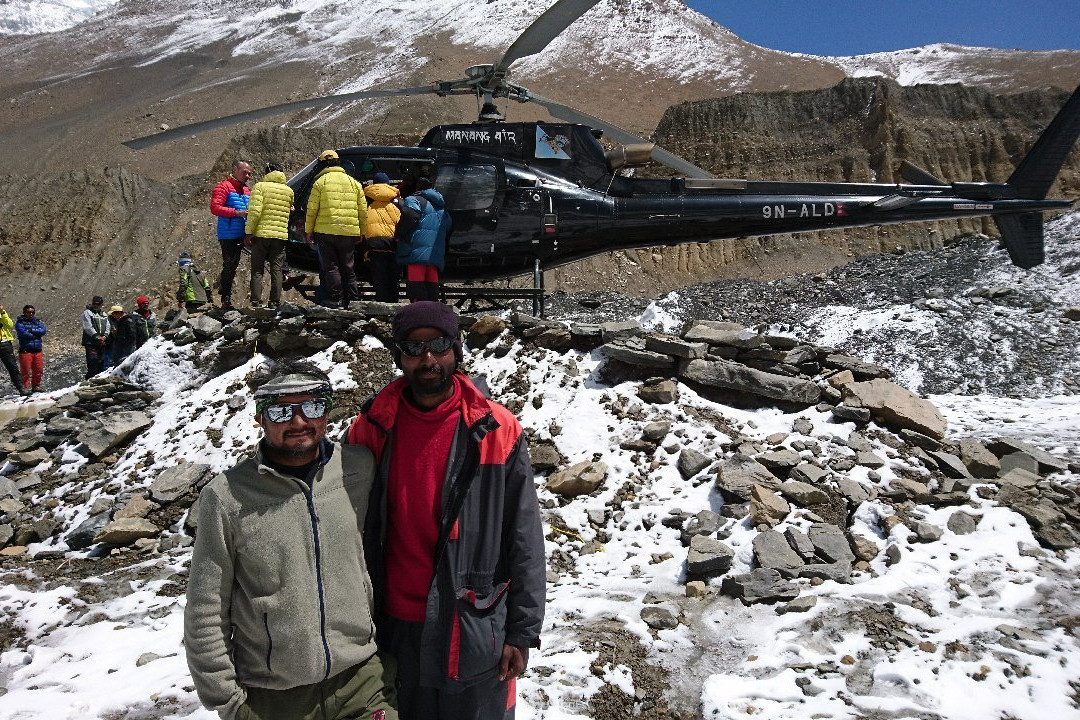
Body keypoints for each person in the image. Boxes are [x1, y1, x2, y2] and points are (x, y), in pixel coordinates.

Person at [345, 301, 545, 720]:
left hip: (473, 627)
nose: (427, 358)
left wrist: (522, 633)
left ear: (456, 349)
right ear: (398, 355)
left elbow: (523, 537)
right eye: (414, 348)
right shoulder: (370, 429)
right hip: (392, 628)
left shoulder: (496, 429)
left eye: (438, 345)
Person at [185, 360, 397, 720]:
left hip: (362, 681)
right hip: (274, 698)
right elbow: (206, 608)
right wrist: (228, 703)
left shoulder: (358, 469)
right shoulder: (227, 496)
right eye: (282, 410)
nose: (299, 422)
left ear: (327, 411)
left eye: (312, 406)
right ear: (260, 417)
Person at [304, 150, 367, 308]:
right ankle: (353, 300)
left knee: (331, 268)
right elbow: (362, 211)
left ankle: (336, 299)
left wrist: (308, 230)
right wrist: (362, 231)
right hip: (348, 232)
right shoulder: (354, 183)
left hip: (324, 232)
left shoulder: (320, 183)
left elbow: (312, 209)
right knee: (348, 267)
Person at [245, 162, 294, 308]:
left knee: (257, 269)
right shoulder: (288, 191)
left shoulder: (260, 187)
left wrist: (249, 232)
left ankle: (255, 301)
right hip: (280, 236)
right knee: (277, 269)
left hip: (262, 235)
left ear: (268, 172)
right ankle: (275, 301)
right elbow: (290, 209)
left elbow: (254, 212)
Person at [396, 177, 451, 303]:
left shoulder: (413, 199)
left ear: (417, 188)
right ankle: (432, 307)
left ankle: (418, 307)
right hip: (435, 250)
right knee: (431, 278)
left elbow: (411, 216)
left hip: (416, 247)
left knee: (416, 280)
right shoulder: (441, 207)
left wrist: (398, 234)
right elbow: (448, 226)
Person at [210, 159, 252, 310]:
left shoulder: (247, 190)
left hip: (244, 233)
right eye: (245, 172)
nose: (247, 176)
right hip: (228, 235)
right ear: (235, 170)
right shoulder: (223, 187)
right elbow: (215, 208)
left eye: (249, 174)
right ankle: (225, 298)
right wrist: (236, 213)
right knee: (230, 265)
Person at [364, 172, 402, 302]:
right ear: (388, 184)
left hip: (374, 243)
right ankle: (393, 305)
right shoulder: (397, 200)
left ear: (373, 183)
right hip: (393, 243)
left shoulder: (366, 198)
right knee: (393, 277)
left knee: (379, 277)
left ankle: (381, 305)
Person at [14, 305, 46, 394]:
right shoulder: (20, 322)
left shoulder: (37, 321)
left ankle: (36, 386)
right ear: (24, 312)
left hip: (37, 350)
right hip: (26, 350)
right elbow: (23, 333)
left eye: (32, 312)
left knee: (38, 370)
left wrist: (31, 330)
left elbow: (43, 330)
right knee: (25, 371)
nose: (31, 314)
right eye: (29, 312)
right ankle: (25, 388)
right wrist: (36, 333)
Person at [81, 295, 110, 379]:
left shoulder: (104, 314)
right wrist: (97, 336)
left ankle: (98, 381)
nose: (96, 305)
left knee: (101, 363)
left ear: (101, 304)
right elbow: (87, 326)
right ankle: (89, 381)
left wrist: (105, 336)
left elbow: (108, 326)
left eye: (98, 304)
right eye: (94, 304)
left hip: (102, 342)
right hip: (91, 342)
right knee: (92, 362)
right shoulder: (87, 313)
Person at [0, 304, 25, 395]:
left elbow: (10, 324)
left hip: (5, 343)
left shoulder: (2, 314)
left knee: (12, 367)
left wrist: (2, 313)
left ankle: (21, 388)